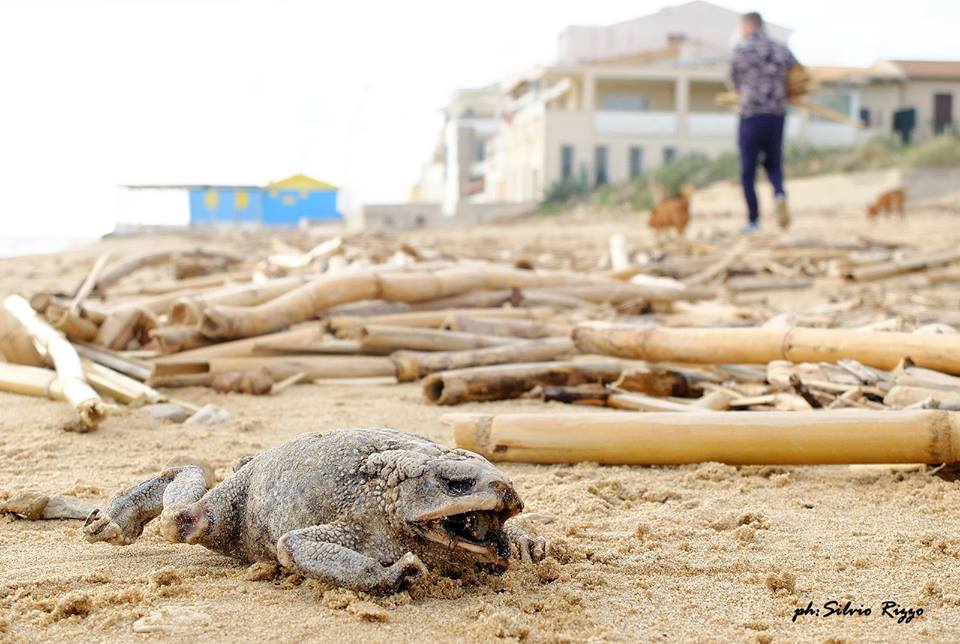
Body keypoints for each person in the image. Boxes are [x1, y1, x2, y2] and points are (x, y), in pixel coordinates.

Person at [730, 11, 797, 233]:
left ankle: (754, 220)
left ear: (749, 26)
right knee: (774, 165)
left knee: (748, 171)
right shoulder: (780, 48)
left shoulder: (741, 50)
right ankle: (779, 194)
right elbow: (798, 74)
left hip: (751, 115)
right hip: (776, 115)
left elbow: (733, 82)